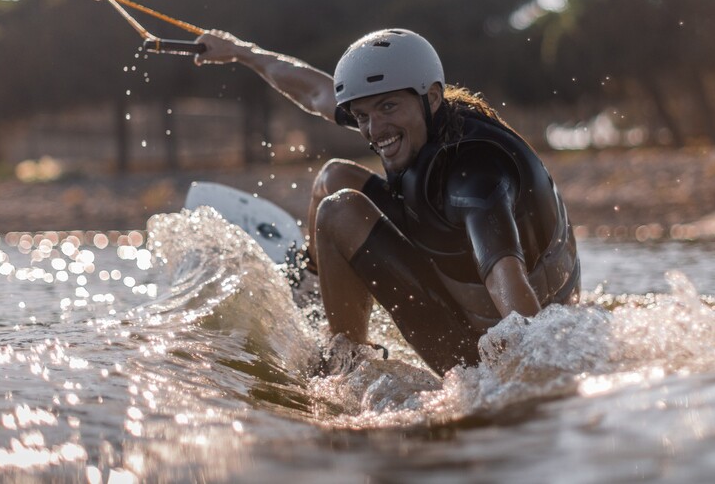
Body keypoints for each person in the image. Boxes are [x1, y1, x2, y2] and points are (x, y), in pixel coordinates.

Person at [194, 28, 580, 375]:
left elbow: (507, 282)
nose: (374, 130)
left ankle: (343, 366)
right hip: (463, 282)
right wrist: (240, 51)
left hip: (474, 356)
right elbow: (315, 93)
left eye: (387, 107)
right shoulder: (422, 118)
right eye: (362, 115)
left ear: (431, 97)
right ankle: (312, 289)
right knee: (334, 177)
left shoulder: (473, 177)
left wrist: (537, 378)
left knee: (337, 211)